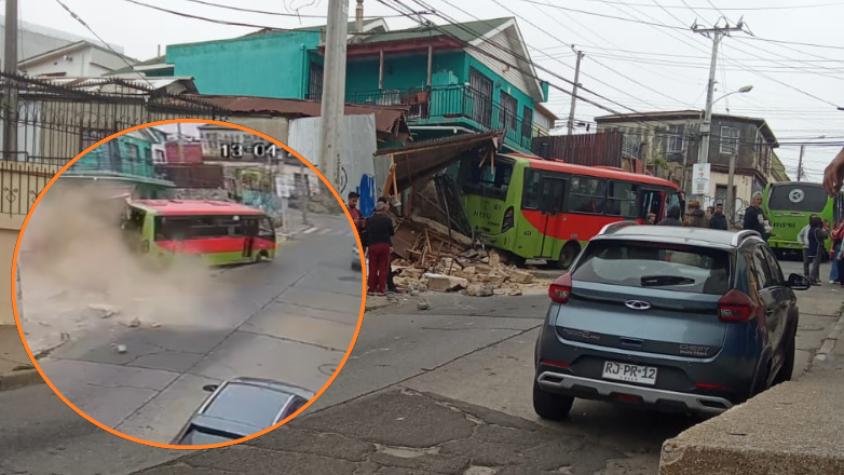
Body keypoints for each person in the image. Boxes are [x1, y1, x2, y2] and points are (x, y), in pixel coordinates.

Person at [365, 200, 394, 296]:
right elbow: (391, 233)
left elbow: (367, 233)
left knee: (372, 267)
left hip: (373, 246)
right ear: (383, 210)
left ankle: (371, 289)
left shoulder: (369, 220)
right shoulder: (388, 220)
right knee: (383, 268)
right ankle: (381, 289)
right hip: (384, 246)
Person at [807, 216, 829, 285]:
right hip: (818, 247)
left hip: (812, 247)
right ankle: (812, 279)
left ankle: (814, 278)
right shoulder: (818, 230)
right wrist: (826, 229)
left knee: (815, 263)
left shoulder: (811, 229)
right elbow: (825, 236)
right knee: (815, 264)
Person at [830, 219, 844, 284]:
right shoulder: (839, 229)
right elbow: (835, 237)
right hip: (839, 246)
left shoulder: (839, 229)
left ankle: (836, 278)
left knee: (838, 263)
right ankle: (834, 278)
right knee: (836, 262)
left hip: (839, 246)